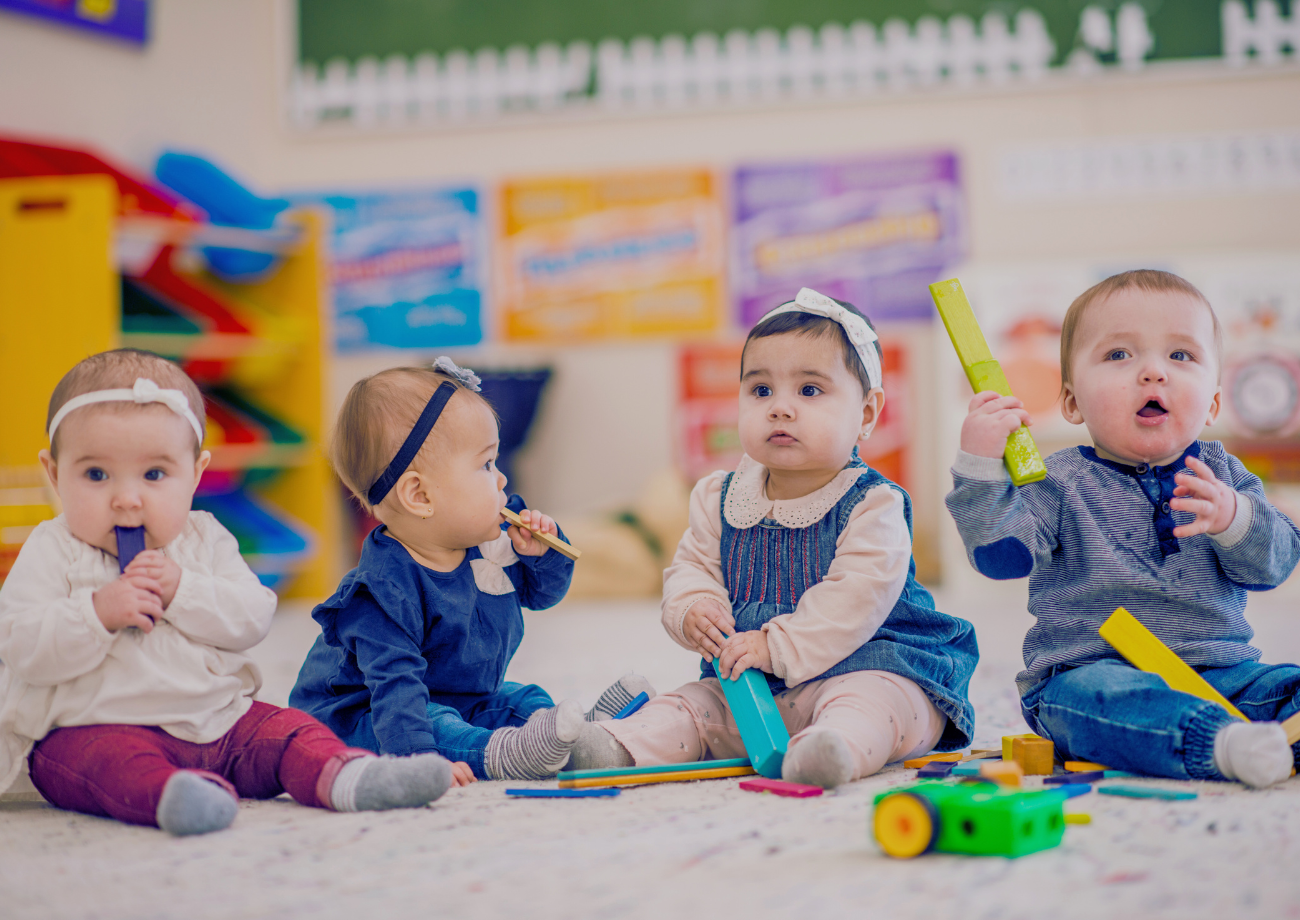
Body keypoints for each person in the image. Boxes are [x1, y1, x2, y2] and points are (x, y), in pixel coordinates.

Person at [0, 349, 454, 836]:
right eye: (96, 474)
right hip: (96, 727)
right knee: (101, 764)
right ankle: (174, 798)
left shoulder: (204, 538)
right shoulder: (53, 548)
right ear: (54, 473)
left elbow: (251, 616)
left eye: (154, 475)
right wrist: (96, 613)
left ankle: (348, 777)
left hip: (217, 721)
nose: (126, 498)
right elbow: (21, 645)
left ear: (195, 474)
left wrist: (182, 590)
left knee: (286, 729)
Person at [572, 289, 978, 789]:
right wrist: (693, 608)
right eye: (761, 391)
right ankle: (622, 744)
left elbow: (856, 599)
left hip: (872, 663)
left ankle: (834, 749)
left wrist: (775, 645)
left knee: (878, 705)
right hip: (751, 685)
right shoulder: (718, 497)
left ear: (867, 413)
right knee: (693, 707)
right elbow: (692, 567)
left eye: (809, 391)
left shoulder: (874, 504)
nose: (780, 408)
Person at [947, 269, 1300, 788]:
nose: (1154, 373)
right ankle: (1220, 744)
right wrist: (980, 468)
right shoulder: (1057, 482)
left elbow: (1275, 566)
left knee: (1287, 687)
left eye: (1181, 356)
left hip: (1220, 675)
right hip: (1092, 676)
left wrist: (1234, 519)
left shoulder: (1224, 475)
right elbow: (1001, 558)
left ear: (1214, 404)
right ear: (1071, 402)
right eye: (1119, 355)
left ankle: (1243, 734)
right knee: (1090, 701)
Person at [290, 358, 652, 782]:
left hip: (462, 696)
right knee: (436, 725)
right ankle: (505, 754)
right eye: (485, 466)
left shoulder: (489, 541)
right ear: (419, 495)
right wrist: (421, 764)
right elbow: (396, 690)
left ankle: (583, 736)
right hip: (367, 718)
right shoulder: (380, 595)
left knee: (523, 700)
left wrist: (541, 555)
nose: (501, 481)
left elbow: (542, 595)